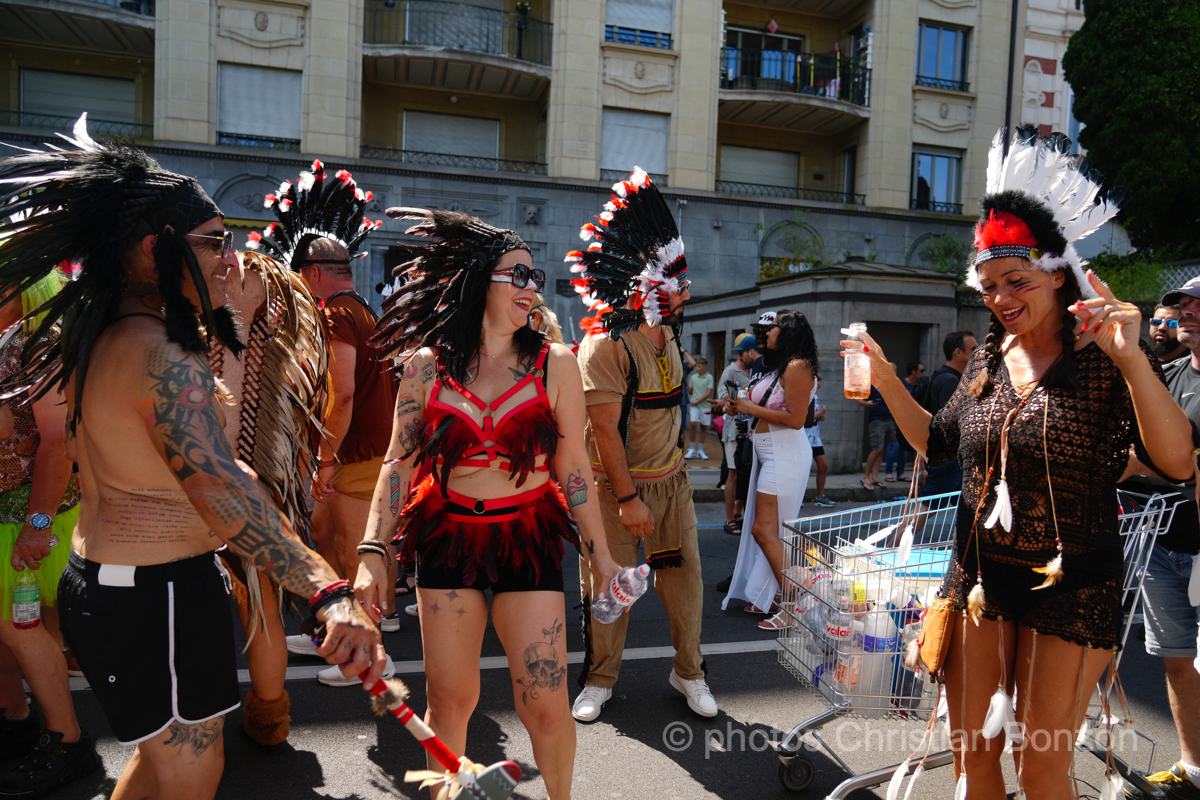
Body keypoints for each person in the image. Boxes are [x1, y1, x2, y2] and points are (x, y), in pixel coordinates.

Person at [0, 123, 386, 799]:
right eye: (213, 241)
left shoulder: (102, 328)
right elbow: (219, 487)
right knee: (191, 773)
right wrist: (326, 590)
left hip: (124, 587)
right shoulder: (158, 354)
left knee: (158, 765)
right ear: (157, 248)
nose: (227, 258)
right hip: (157, 597)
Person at [845, 126, 1194, 800]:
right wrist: (887, 379)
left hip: (1071, 587)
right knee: (975, 759)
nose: (1002, 298)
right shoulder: (985, 357)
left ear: (1059, 273)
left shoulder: (1101, 357)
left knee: (1040, 769)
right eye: (989, 286)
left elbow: (1176, 461)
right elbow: (936, 445)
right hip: (978, 580)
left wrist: (1130, 359)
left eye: (1017, 280)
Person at [353, 206, 620, 799]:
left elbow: (573, 465)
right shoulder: (428, 367)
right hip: (449, 540)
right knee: (450, 700)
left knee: (544, 703)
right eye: (518, 276)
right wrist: (373, 548)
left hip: (528, 540)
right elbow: (400, 461)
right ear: (480, 282)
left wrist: (600, 558)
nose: (532, 289)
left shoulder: (555, 364)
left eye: (535, 279)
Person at [567, 168, 716, 722]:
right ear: (648, 286)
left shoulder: (671, 333)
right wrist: (628, 501)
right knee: (609, 588)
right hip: (615, 494)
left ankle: (689, 672)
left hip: (673, 486)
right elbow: (603, 430)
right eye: (677, 280)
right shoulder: (605, 345)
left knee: (686, 587)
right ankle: (600, 680)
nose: (686, 289)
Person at [205, 245, 333, 749]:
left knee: (203, 608)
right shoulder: (283, 350)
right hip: (264, 484)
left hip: (202, 487)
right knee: (260, 613)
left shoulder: (189, 340)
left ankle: (204, 721)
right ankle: (269, 718)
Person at [0, 271, 96, 791]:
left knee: (22, 629)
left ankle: (67, 741)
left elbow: (59, 441)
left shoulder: (40, 345)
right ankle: (14, 721)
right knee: (10, 631)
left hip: (24, 518)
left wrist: (36, 527)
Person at [1117, 277, 1200, 800]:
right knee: (1176, 659)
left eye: (1197, 307)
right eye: (1181, 306)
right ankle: (1194, 769)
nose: (1185, 313)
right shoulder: (1170, 375)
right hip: (1162, 543)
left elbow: (1177, 461)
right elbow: (1150, 449)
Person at [720, 310, 817, 632]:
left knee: (765, 530)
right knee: (767, 531)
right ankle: (782, 597)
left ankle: (794, 604)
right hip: (773, 454)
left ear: (786, 331)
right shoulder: (781, 365)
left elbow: (796, 419)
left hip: (785, 454)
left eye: (773, 327)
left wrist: (750, 408)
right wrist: (738, 405)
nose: (766, 332)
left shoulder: (798, 366)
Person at [918, 330, 977, 500]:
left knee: (961, 506)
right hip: (947, 459)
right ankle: (904, 529)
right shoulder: (951, 381)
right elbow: (950, 423)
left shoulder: (942, 376)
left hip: (944, 456)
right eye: (974, 349)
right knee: (928, 505)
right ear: (958, 352)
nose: (978, 353)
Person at [716, 334, 758, 533]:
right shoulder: (730, 371)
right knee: (732, 474)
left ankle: (739, 512)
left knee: (747, 474)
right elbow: (721, 394)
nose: (757, 355)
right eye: (755, 352)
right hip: (734, 430)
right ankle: (729, 519)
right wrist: (739, 394)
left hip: (751, 431)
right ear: (745, 353)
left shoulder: (756, 371)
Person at [885, 361, 925, 482]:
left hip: (911, 421)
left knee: (905, 448)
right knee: (894, 446)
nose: (924, 373)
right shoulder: (901, 384)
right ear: (914, 372)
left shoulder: (920, 385)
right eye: (921, 371)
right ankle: (888, 473)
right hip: (898, 419)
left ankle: (900, 473)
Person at [858, 381, 892, 490]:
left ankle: (874, 477)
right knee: (876, 449)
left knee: (881, 450)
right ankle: (866, 477)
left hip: (890, 419)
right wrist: (867, 404)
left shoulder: (889, 383)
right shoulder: (870, 382)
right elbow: (859, 399)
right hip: (877, 419)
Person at [808, 379, 834, 507]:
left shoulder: (815, 397)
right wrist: (819, 413)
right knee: (804, 470)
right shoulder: (802, 395)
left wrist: (821, 416)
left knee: (823, 466)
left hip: (815, 438)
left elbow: (815, 418)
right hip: (803, 437)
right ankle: (797, 497)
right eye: (818, 379)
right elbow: (803, 420)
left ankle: (820, 496)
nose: (820, 382)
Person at [685, 357, 714, 460]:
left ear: (704, 367)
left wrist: (697, 401)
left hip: (705, 406)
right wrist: (688, 384)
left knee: (703, 428)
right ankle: (692, 449)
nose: (696, 368)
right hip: (695, 406)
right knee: (693, 424)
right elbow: (690, 392)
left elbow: (708, 393)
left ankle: (700, 450)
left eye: (699, 366)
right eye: (696, 366)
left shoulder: (709, 377)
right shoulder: (693, 377)